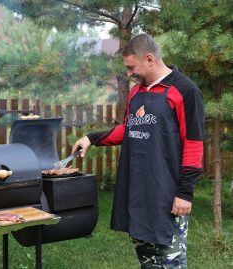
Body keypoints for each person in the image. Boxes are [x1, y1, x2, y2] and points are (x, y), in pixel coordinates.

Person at [72, 34, 204, 268]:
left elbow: (194, 145)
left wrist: (185, 193)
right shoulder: (136, 93)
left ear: (150, 58)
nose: (129, 73)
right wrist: (91, 139)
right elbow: (131, 128)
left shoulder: (184, 91)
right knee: (147, 262)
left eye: (132, 67)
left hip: (168, 193)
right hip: (138, 191)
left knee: (171, 262)